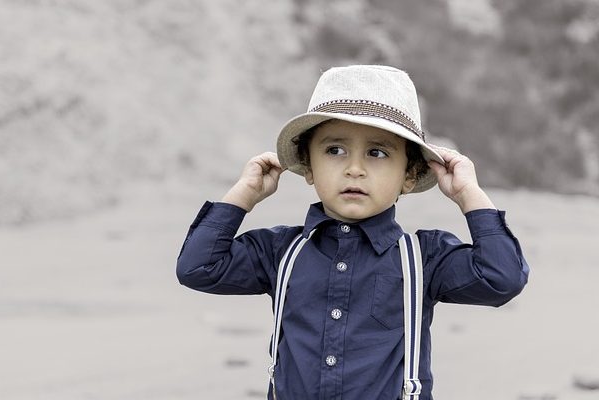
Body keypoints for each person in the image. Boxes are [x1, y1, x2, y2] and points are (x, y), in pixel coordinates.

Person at [176, 65, 529, 400]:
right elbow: (198, 268)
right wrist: (243, 195)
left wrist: (469, 195)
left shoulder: (424, 259)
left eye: (377, 152)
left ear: (409, 174)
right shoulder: (280, 251)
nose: (354, 169)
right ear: (309, 166)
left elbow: (502, 278)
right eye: (335, 150)